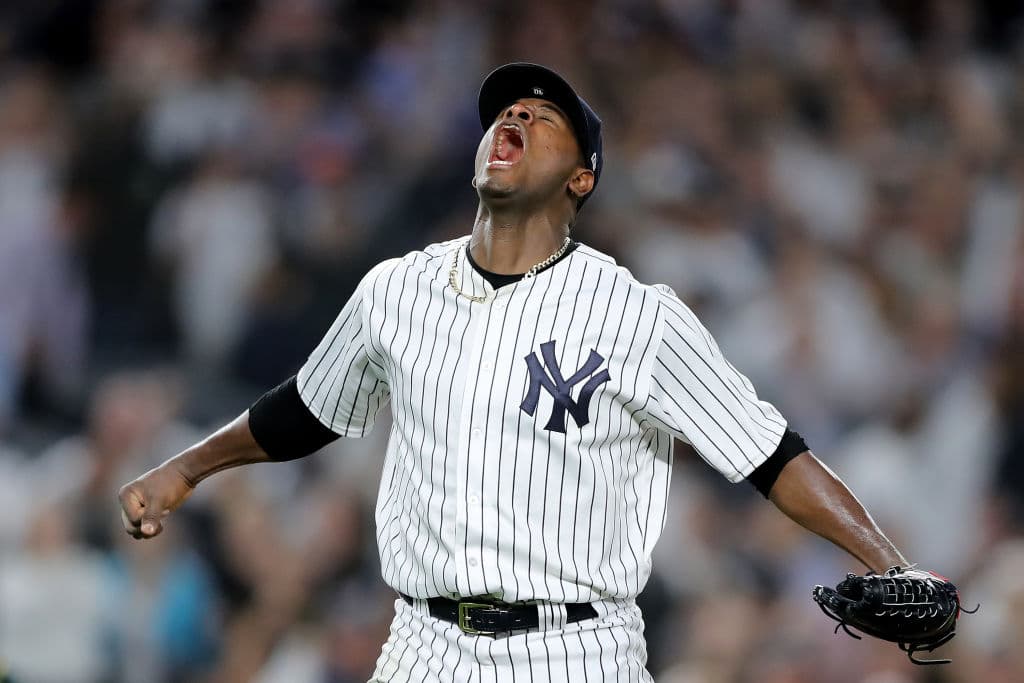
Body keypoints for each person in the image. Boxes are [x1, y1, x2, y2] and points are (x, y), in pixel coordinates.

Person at [119, 63, 910, 681]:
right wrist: (184, 470)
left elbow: (770, 453)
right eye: (507, 110)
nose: (516, 116)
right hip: (423, 645)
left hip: (575, 651)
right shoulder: (396, 289)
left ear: (582, 179)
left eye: (545, 115)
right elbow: (308, 410)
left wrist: (891, 563)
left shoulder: (637, 313)